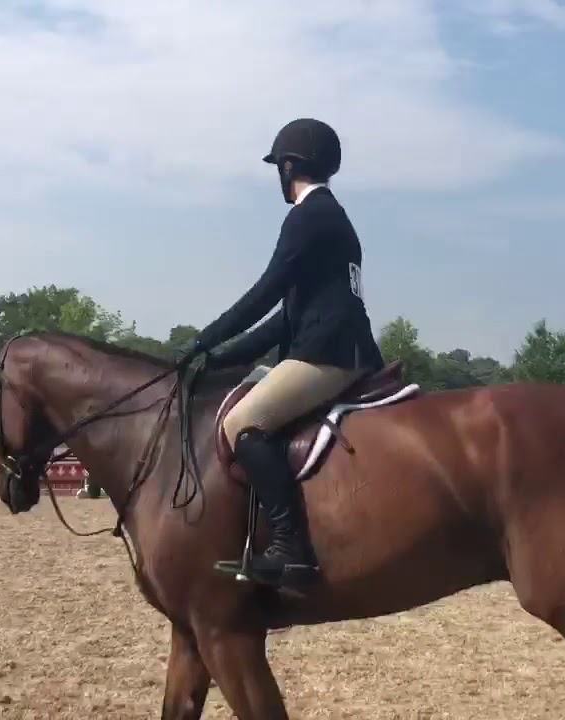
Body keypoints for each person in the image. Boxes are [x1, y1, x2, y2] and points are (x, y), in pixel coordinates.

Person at [187, 117, 385, 589]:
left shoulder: (308, 216)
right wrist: (221, 358)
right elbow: (285, 319)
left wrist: (203, 339)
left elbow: (267, 292)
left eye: (279, 166)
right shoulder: (330, 217)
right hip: (334, 344)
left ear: (289, 166)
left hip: (328, 353)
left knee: (242, 424)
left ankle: (290, 547)